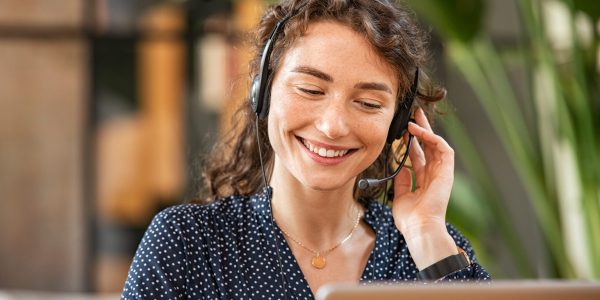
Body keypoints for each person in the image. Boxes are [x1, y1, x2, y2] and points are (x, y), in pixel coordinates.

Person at [121, 0, 491, 298]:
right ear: (263, 92)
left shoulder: (429, 251)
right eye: (311, 90)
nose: (332, 126)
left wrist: (426, 231)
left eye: (368, 103)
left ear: (397, 123)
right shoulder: (189, 244)